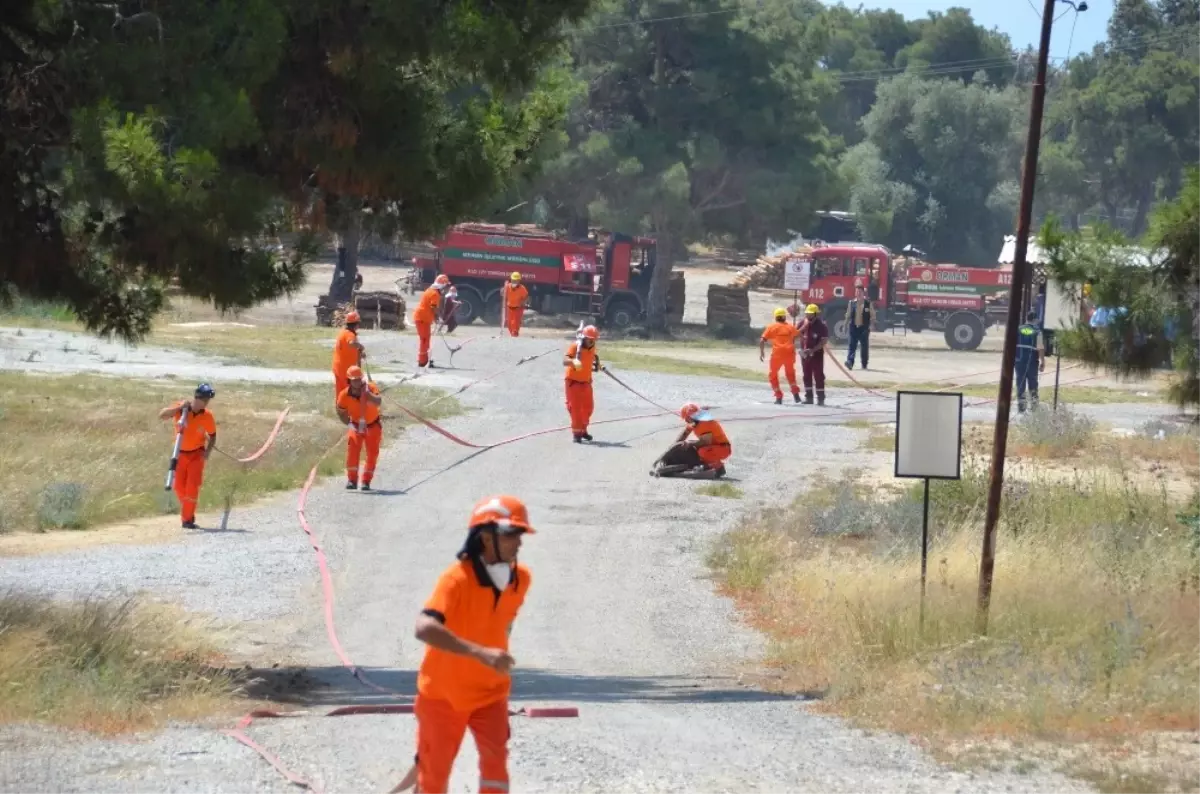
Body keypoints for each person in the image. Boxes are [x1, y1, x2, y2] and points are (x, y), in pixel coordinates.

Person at [402, 494, 535, 794]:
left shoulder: (520, 580)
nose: (519, 542)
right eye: (512, 534)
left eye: (520, 534)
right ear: (486, 538)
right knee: (432, 779)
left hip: (491, 694)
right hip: (443, 697)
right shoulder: (456, 580)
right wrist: (478, 652)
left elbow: (500, 628)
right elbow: (424, 627)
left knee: (496, 772)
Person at [158, 384, 218, 529]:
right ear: (198, 397)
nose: (206, 402)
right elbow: (162, 415)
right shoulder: (181, 409)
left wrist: (207, 452)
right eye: (205, 399)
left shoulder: (207, 416)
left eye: (207, 400)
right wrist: (178, 409)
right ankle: (188, 512)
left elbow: (213, 435)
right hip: (179, 454)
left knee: (192, 486)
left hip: (197, 454)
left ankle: (187, 519)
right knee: (179, 487)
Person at [335, 365, 383, 490]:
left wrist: (367, 395)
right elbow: (340, 411)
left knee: (372, 454)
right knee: (352, 452)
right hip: (355, 427)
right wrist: (349, 424)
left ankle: (366, 481)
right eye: (354, 379)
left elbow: (378, 401)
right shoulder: (344, 395)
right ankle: (352, 480)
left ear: (362, 379)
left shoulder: (371, 387)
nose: (356, 382)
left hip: (373, 426)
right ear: (349, 380)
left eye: (358, 379)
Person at [652, 403, 732, 478]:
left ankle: (718, 468)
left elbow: (706, 442)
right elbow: (684, 435)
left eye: (687, 419)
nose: (686, 421)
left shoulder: (705, 423)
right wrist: (672, 449)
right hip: (712, 447)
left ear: (690, 416)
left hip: (723, 448)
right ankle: (705, 464)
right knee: (690, 450)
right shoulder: (694, 421)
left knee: (702, 451)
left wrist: (689, 443)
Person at [564, 325, 603, 443]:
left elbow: (591, 361)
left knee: (588, 408)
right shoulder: (575, 346)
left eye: (594, 340)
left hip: (586, 382)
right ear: (584, 338)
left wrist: (600, 366)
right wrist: (573, 362)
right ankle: (577, 434)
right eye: (590, 339)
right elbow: (565, 361)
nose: (592, 342)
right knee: (575, 409)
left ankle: (583, 429)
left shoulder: (592, 348)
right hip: (573, 382)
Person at [759, 307, 802, 405]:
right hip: (789, 355)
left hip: (777, 355)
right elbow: (800, 336)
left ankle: (779, 397)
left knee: (773, 375)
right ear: (784, 317)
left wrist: (762, 352)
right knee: (790, 375)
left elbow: (762, 340)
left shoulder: (771, 327)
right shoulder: (790, 327)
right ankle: (796, 396)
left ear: (776, 317)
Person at [413, 275, 451, 368]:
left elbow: (430, 308)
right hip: (422, 318)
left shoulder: (430, 290)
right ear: (442, 286)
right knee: (424, 340)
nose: (447, 289)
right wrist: (440, 317)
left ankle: (425, 359)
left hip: (423, 318)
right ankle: (422, 362)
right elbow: (433, 307)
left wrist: (436, 319)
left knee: (426, 339)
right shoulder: (435, 294)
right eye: (446, 287)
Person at [799, 303, 829, 405]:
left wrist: (812, 350)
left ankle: (820, 398)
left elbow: (823, 341)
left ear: (816, 314)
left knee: (818, 376)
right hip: (805, 356)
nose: (808, 316)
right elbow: (795, 333)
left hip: (817, 355)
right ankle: (809, 398)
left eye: (811, 314)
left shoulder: (822, 326)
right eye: (807, 314)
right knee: (806, 376)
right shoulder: (803, 323)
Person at [1015, 310, 1045, 413]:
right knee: (1033, 384)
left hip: (1019, 361)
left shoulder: (1018, 329)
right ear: (1035, 320)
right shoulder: (1037, 331)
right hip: (1032, 362)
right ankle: (1034, 407)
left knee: (1020, 384)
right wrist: (1042, 362)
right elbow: (1040, 347)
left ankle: (1021, 407)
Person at [332, 311, 365, 398]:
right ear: (356, 324)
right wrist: (361, 346)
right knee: (349, 392)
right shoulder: (350, 334)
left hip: (337, 367)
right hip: (345, 369)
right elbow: (351, 343)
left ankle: (340, 408)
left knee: (340, 392)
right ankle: (349, 409)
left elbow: (349, 349)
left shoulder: (342, 333)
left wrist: (360, 353)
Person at [844, 285, 873, 370]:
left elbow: (872, 315)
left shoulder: (868, 303)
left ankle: (864, 364)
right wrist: (845, 325)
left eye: (860, 292)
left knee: (864, 347)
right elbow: (848, 315)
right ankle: (850, 362)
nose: (858, 293)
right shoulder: (851, 303)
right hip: (853, 327)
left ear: (863, 293)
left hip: (864, 328)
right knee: (852, 345)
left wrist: (871, 325)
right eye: (856, 292)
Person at [502, 272, 529, 337]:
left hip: (518, 309)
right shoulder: (508, 287)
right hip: (510, 307)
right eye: (513, 280)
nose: (514, 282)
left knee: (515, 323)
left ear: (519, 281)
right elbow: (503, 294)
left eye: (516, 280)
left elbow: (526, 297)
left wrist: (523, 303)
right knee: (509, 324)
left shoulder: (522, 288)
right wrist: (502, 291)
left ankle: (515, 334)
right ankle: (513, 334)